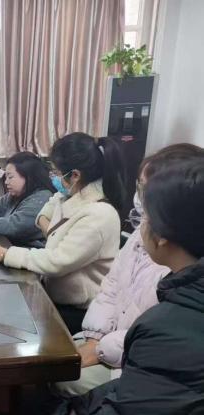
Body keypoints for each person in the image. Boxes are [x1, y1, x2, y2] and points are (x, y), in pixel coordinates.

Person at [6, 156, 204, 415]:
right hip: (135, 399)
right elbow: (111, 289)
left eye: (147, 212)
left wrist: (83, 410)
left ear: (165, 232)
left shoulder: (175, 319)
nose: (139, 218)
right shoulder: (180, 289)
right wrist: (94, 340)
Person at [55, 143, 204, 396]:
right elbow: (111, 286)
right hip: (109, 339)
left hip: (130, 360)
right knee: (51, 357)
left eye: (145, 188)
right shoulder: (142, 234)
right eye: (139, 186)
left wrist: (101, 348)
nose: (139, 197)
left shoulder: (180, 261)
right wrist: (95, 337)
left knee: (62, 377)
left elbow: (155, 335)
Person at [0, 133, 124, 334]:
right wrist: (56, 236)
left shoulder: (99, 214)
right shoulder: (67, 195)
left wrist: (8, 254)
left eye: (57, 172)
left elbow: (57, 262)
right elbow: (42, 215)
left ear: (75, 175)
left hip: (80, 312)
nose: (54, 178)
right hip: (56, 294)